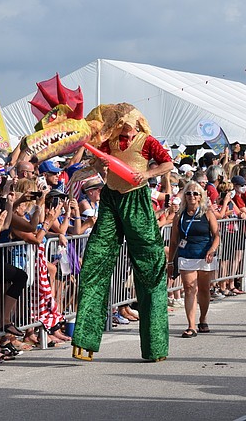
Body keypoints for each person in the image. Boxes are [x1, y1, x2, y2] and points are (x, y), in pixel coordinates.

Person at [71, 110, 174, 362]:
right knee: (95, 260)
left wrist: (148, 175)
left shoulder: (147, 141)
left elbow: (168, 163)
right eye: (121, 123)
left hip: (136, 199)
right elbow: (96, 164)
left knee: (150, 266)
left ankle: (155, 346)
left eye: (128, 123)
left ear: (138, 122)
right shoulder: (109, 142)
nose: (124, 127)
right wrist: (98, 165)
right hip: (110, 199)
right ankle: (85, 340)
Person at [166, 183, 220, 338]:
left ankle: (203, 319)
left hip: (204, 255)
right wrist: (171, 262)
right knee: (190, 288)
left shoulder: (207, 213)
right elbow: (174, 241)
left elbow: (216, 235)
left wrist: (212, 250)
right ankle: (191, 325)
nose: (192, 196)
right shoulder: (179, 216)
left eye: (195, 194)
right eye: (189, 193)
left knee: (203, 289)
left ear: (200, 196)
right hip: (186, 254)